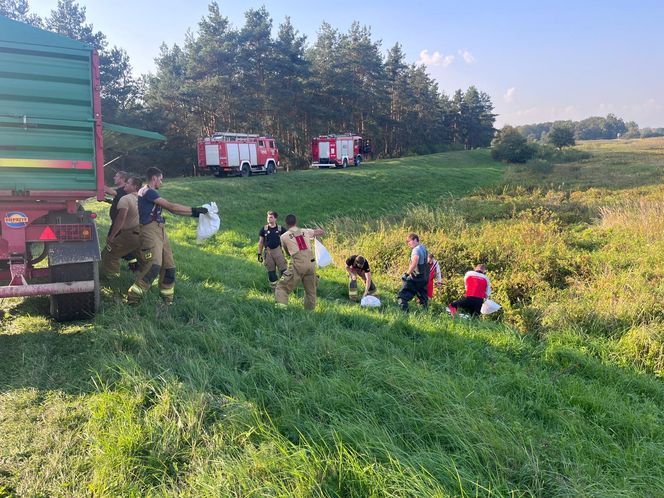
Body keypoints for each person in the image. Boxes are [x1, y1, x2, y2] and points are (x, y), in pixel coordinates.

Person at [126, 167, 208, 305]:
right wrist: (195, 211)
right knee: (154, 265)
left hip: (160, 230)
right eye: (161, 179)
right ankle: (133, 298)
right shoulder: (148, 191)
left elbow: (173, 210)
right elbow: (171, 207)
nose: (162, 182)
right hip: (150, 231)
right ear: (154, 178)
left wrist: (196, 213)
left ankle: (167, 300)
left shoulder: (149, 192)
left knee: (169, 267)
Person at [274, 214, 325, 310]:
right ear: (296, 222)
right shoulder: (305, 231)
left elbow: (287, 253)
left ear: (286, 224)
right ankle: (309, 313)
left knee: (282, 287)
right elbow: (319, 232)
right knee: (311, 291)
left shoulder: (284, 237)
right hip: (311, 263)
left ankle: (280, 311)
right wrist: (319, 231)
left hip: (298, 263)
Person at [101, 176, 141, 276]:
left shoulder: (126, 197)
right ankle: (140, 272)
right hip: (143, 232)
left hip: (128, 232)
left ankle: (113, 277)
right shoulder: (141, 198)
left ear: (134, 186)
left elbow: (120, 219)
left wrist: (112, 236)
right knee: (137, 254)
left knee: (109, 253)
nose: (126, 184)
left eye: (128, 183)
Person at [397, 233, 430, 312]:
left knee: (402, 296)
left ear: (415, 240)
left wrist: (407, 274)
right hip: (424, 277)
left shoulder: (416, 250)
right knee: (423, 298)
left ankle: (404, 315)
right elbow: (428, 261)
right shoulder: (423, 248)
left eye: (409, 241)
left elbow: (414, 263)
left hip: (416, 278)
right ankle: (426, 314)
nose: (408, 244)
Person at [257, 211, 287, 288]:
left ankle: (284, 288)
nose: (269, 219)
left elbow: (287, 240)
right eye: (268, 217)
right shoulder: (264, 229)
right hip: (268, 253)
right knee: (271, 272)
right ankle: (274, 289)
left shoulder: (281, 229)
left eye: (271, 217)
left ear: (275, 218)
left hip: (279, 252)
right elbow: (260, 242)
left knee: (284, 271)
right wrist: (259, 254)